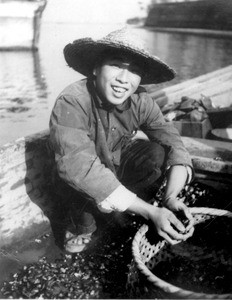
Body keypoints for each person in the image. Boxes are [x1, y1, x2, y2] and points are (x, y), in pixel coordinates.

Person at [49, 27, 195, 253]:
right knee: (80, 202)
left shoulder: (141, 100)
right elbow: (77, 167)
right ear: (96, 68)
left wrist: (171, 197)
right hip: (79, 178)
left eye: (134, 70)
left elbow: (173, 143)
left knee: (157, 153)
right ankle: (80, 224)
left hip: (114, 164)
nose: (123, 80)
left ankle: (122, 205)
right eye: (116, 65)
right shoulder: (72, 101)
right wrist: (150, 211)